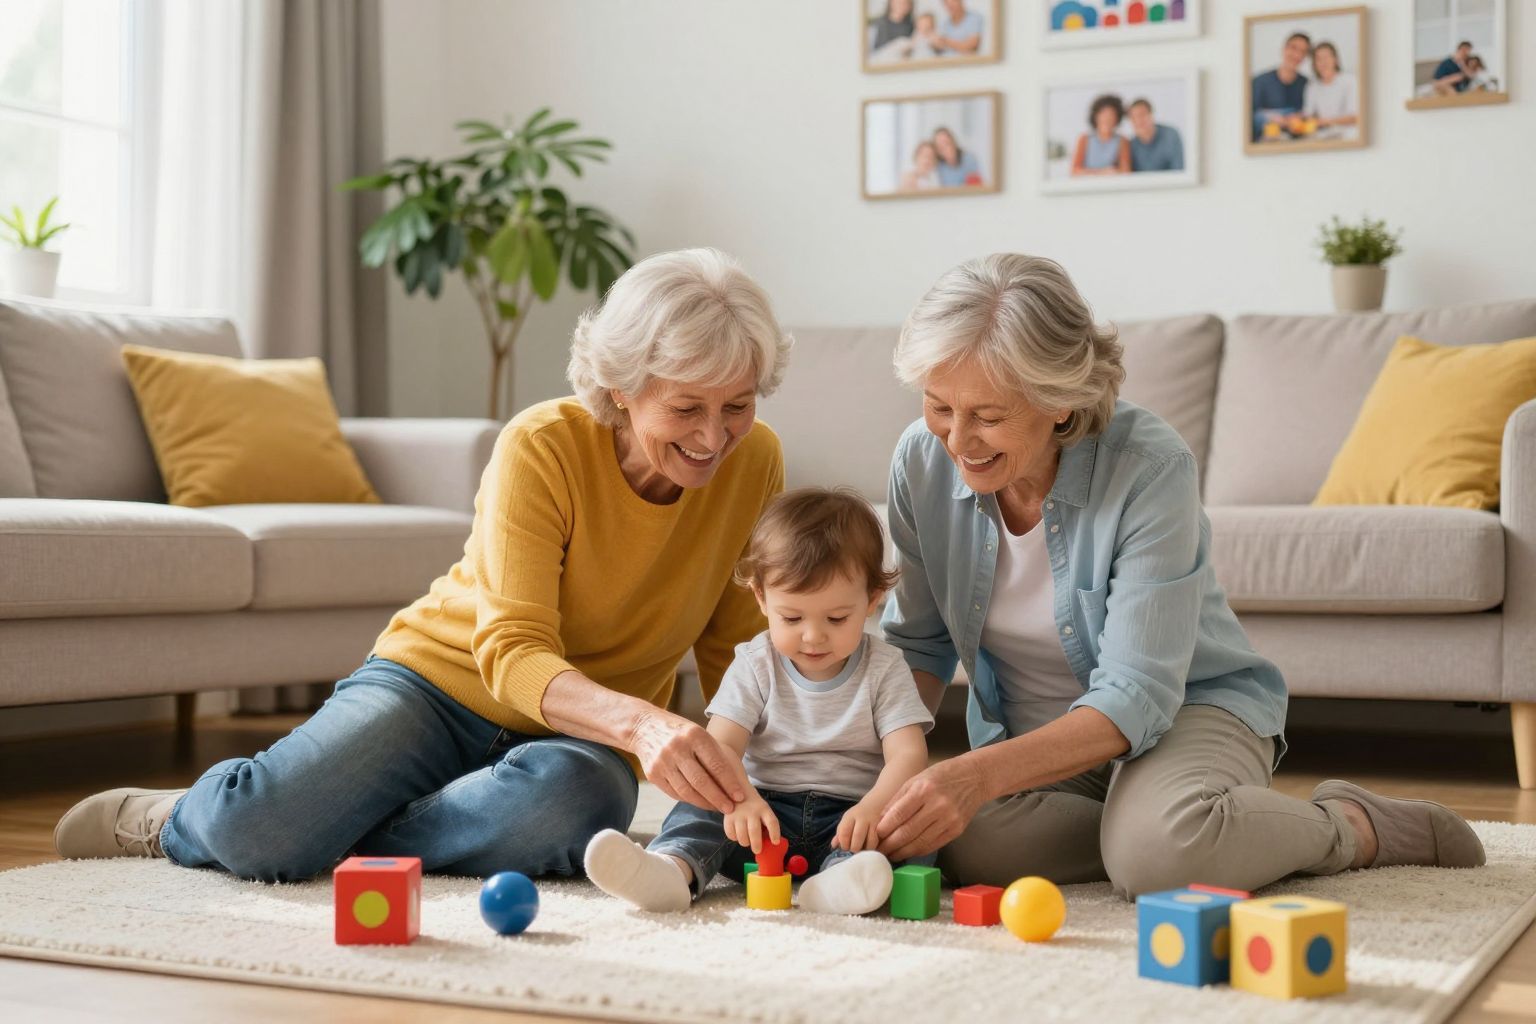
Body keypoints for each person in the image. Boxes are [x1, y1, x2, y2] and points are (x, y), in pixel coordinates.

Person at [53, 248, 796, 883]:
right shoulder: (543, 445)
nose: (714, 436)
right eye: (687, 408)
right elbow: (510, 654)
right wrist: (642, 725)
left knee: (578, 806)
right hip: (437, 686)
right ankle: (181, 817)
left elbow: (739, 648)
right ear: (621, 388)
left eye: (737, 406)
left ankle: (329, 830)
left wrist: (788, 780)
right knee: (262, 836)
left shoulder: (756, 459)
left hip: (577, 741)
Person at [870, 253, 1487, 896]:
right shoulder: (920, 458)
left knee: (1157, 860)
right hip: (1042, 742)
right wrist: (871, 773)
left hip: (1187, 709)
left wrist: (976, 777)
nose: (957, 439)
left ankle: (1349, 826)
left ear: (1060, 402)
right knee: (957, 841)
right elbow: (919, 642)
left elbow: (1135, 695)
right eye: (940, 406)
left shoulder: (1149, 465)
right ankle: (1164, 825)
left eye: (988, 416)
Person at [584, 488, 934, 914]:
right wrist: (741, 800)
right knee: (700, 806)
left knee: (910, 829)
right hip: (759, 813)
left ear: (873, 600)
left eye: (837, 618)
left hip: (850, 816)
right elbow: (723, 747)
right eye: (792, 617)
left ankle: (840, 882)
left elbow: (909, 754)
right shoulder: (755, 662)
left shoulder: (884, 666)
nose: (813, 636)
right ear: (761, 598)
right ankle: (671, 870)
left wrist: (873, 808)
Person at [1252, 31, 1310, 141]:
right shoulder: (1259, 82)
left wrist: (1297, 118)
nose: (1297, 55)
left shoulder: (1307, 84)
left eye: (1302, 52)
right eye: (1293, 48)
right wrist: (1270, 117)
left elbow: (1309, 114)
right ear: (1284, 49)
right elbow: (1248, 117)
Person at [1302, 42, 1359, 140]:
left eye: (1326, 57)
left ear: (1335, 60)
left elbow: (1355, 117)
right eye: (1318, 59)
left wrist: (1324, 122)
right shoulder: (1312, 86)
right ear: (1314, 64)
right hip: (1323, 135)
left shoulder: (1350, 81)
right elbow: (1308, 114)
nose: (1323, 62)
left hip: (1349, 134)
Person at [1071, 94, 1131, 176]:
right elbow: (1074, 171)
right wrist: (1102, 173)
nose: (1107, 118)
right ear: (1096, 116)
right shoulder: (1084, 139)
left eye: (1111, 115)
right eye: (1103, 114)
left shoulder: (1122, 141)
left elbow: (1125, 171)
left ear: (1117, 119)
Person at [1126, 98, 1184, 173]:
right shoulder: (1131, 145)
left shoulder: (1170, 136)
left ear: (1151, 115)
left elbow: (1179, 171)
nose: (1138, 121)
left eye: (1141, 115)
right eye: (1133, 117)